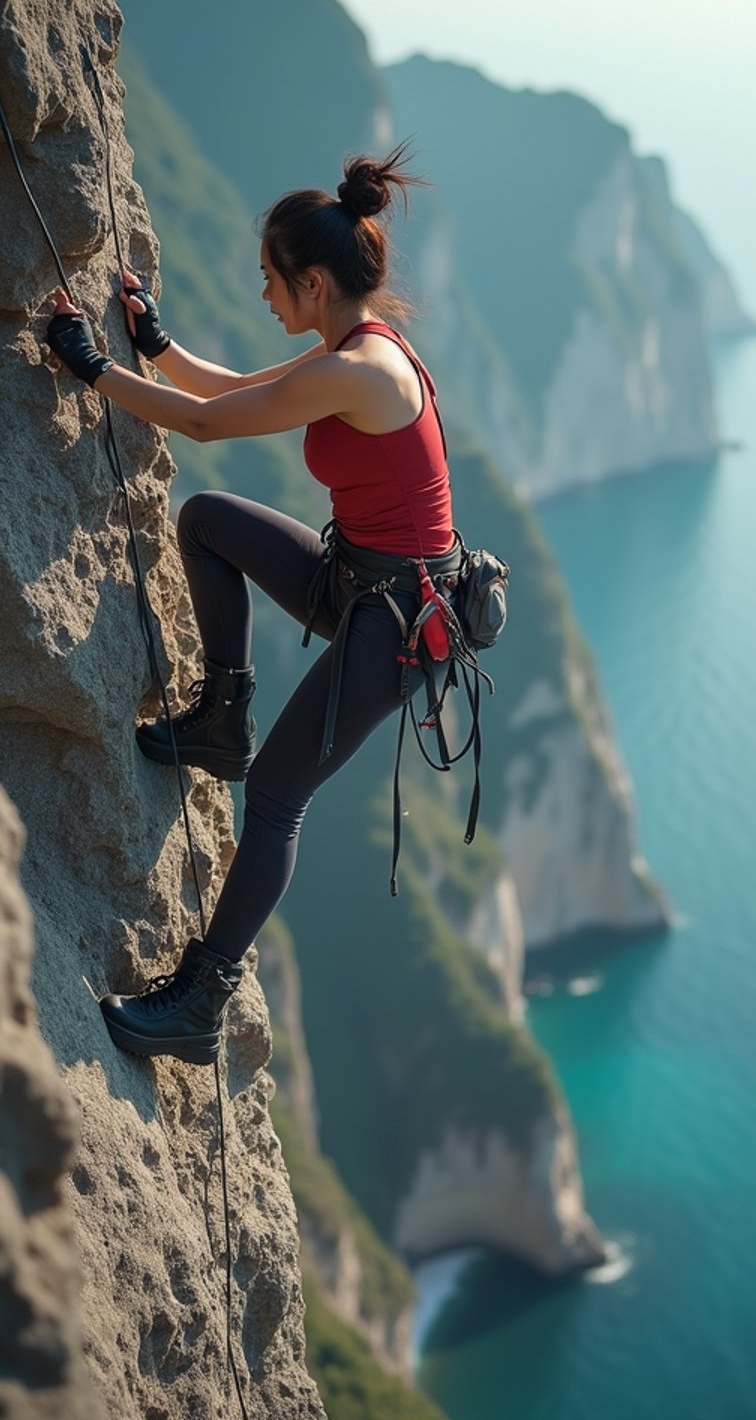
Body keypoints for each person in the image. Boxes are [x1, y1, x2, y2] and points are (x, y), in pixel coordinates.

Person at [45, 145, 462, 1066]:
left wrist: (92, 370)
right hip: (355, 578)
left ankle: (203, 998)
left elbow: (203, 422)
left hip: (393, 625)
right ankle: (222, 717)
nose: (265, 294)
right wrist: (156, 349)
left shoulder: (366, 373)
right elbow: (238, 394)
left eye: (272, 280)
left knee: (275, 800)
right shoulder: (352, 350)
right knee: (207, 521)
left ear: (314, 283)